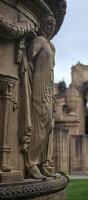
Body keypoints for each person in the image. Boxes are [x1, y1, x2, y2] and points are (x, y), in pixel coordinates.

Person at [20, 15, 56, 179]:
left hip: (47, 88)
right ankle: (31, 164)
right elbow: (28, 57)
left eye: (53, 24)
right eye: (49, 23)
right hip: (38, 87)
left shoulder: (50, 45)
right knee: (39, 123)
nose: (51, 26)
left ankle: (41, 162)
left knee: (48, 123)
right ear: (42, 25)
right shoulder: (40, 41)